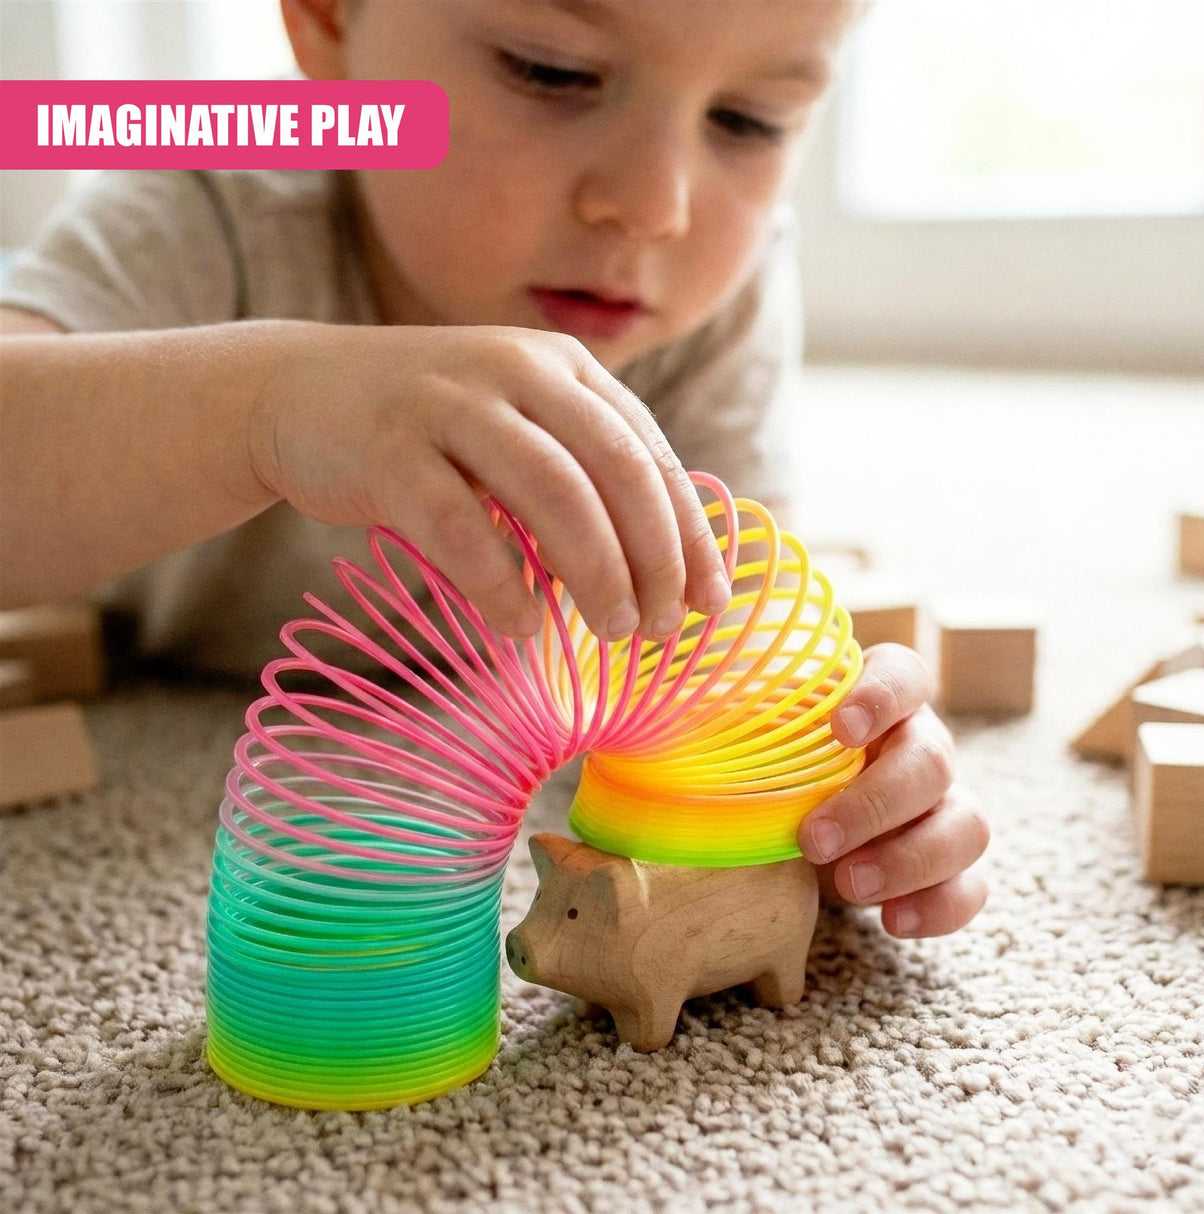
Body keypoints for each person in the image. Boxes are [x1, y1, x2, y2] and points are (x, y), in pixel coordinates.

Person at [0, 0, 988, 938]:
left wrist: (829, 767)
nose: (654, 206)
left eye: (748, 120)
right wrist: (268, 405)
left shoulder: (711, 284)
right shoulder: (205, 201)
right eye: (551, 72)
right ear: (331, 19)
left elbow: (732, 621)